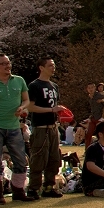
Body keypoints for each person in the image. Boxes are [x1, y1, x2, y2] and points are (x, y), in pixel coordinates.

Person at [0, 54, 34, 204]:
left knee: (20, 160)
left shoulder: (19, 80)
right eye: (3, 64)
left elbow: (26, 99)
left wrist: (22, 107)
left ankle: (18, 191)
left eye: (8, 63)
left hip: (14, 126)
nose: (7, 66)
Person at [25, 57, 64, 199]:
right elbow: (30, 107)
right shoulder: (34, 86)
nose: (53, 68)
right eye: (50, 65)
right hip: (40, 128)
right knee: (38, 158)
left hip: (54, 127)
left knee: (54, 158)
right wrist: (52, 110)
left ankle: (49, 186)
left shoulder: (54, 86)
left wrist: (59, 113)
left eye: (54, 65)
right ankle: (33, 188)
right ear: (41, 67)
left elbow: (54, 106)